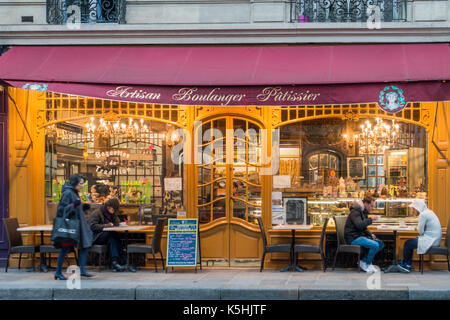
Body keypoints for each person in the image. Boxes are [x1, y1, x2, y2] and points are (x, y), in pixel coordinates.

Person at [54, 174, 94, 280]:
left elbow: (75, 207)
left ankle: (82, 270)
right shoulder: (68, 193)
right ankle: (58, 272)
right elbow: (62, 209)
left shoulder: (74, 192)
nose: (82, 185)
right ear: (74, 183)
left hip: (77, 225)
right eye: (80, 183)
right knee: (65, 248)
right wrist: (74, 205)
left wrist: (82, 207)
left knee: (84, 245)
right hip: (70, 227)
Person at [397, 199, 442, 273]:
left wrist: (420, 229)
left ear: (418, 208)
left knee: (408, 243)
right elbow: (422, 230)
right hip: (435, 239)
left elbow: (420, 232)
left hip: (431, 241)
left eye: (413, 209)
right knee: (410, 243)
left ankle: (406, 265)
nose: (412, 211)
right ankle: (406, 264)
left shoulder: (423, 214)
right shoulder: (429, 212)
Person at [88, 197, 130, 272]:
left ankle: (115, 262)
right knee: (112, 235)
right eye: (113, 210)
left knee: (113, 239)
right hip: (95, 237)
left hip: (106, 236)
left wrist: (114, 215)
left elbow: (116, 223)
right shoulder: (97, 212)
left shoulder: (110, 214)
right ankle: (122, 260)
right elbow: (92, 226)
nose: (113, 211)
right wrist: (106, 225)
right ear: (108, 207)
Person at [344, 195, 384, 273]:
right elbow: (359, 225)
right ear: (366, 203)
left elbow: (363, 227)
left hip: (359, 236)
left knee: (380, 243)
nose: (372, 208)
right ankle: (367, 264)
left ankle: (363, 262)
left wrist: (370, 234)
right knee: (375, 245)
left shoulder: (362, 211)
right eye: (371, 206)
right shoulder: (355, 211)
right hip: (353, 238)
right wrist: (370, 219)